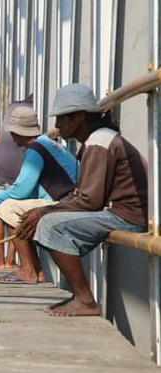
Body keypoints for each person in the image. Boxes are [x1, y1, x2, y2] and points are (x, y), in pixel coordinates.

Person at [17, 84, 148, 316]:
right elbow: (87, 197)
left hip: (127, 215)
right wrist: (47, 209)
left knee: (49, 225)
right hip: (118, 211)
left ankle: (85, 300)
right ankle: (78, 295)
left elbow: (89, 201)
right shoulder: (97, 139)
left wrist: (44, 212)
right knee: (44, 219)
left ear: (79, 117)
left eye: (63, 119)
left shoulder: (100, 141)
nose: (57, 126)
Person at [0, 106, 78, 284]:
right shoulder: (48, 144)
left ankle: (27, 269)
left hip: (62, 201)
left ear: (18, 131)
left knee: (7, 208)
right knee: (16, 208)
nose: (11, 136)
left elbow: (21, 190)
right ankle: (36, 270)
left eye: (12, 132)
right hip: (67, 198)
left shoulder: (35, 150)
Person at [0, 99, 30, 269]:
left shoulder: (10, 111)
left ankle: (0, 261)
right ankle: (11, 259)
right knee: (13, 216)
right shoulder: (30, 113)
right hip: (16, 173)